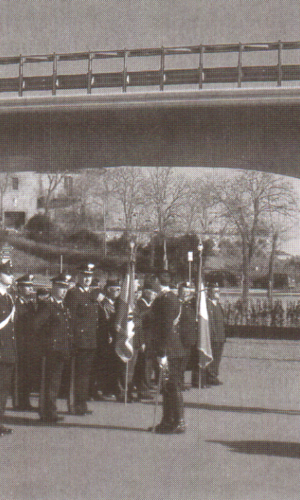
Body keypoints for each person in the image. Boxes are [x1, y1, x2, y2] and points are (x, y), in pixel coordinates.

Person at [149, 270, 188, 434]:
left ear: (158, 280)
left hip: (169, 349)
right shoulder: (165, 298)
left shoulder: (167, 299)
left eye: (152, 280)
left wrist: (162, 352)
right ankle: (168, 420)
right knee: (167, 386)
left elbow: (165, 327)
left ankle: (178, 421)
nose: (151, 283)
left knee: (172, 386)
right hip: (171, 348)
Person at [34, 273, 72, 423]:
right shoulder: (47, 305)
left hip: (61, 350)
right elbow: (36, 326)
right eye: (61, 287)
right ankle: (46, 413)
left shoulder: (62, 305)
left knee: (55, 383)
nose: (64, 291)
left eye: (66, 288)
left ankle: (51, 411)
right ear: (54, 287)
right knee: (48, 383)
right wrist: (47, 343)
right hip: (50, 351)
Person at [64, 263, 98, 415]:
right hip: (79, 340)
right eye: (84, 276)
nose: (87, 279)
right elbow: (70, 318)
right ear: (78, 276)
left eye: (89, 276)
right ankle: (74, 405)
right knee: (76, 375)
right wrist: (71, 339)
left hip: (90, 340)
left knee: (85, 375)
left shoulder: (90, 294)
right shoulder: (73, 293)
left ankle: (82, 404)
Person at [96, 279, 122, 400]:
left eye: (119, 289)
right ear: (108, 290)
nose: (118, 292)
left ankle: (111, 388)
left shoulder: (119, 303)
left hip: (116, 338)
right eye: (115, 289)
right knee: (104, 364)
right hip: (106, 336)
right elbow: (105, 321)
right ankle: (101, 388)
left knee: (113, 364)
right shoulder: (103, 303)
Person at [14, 274, 36, 411]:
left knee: (27, 373)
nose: (30, 289)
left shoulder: (30, 304)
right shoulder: (15, 304)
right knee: (19, 373)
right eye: (27, 286)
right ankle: (18, 402)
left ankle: (25, 401)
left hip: (29, 344)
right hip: (19, 342)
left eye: (31, 286)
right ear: (19, 288)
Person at [0, 260, 16, 437]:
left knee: (3, 389)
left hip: (7, 351)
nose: (10, 276)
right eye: (7, 272)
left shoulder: (8, 297)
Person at [203, 284, 226, 386]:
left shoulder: (218, 304)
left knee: (217, 357)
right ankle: (209, 376)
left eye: (218, 292)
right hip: (213, 337)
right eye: (215, 291)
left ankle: (214, 375)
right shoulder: (208, 305)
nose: (218, 294)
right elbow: (210, 322)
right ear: (209, 292)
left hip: (220, 336)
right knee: (212, 357)